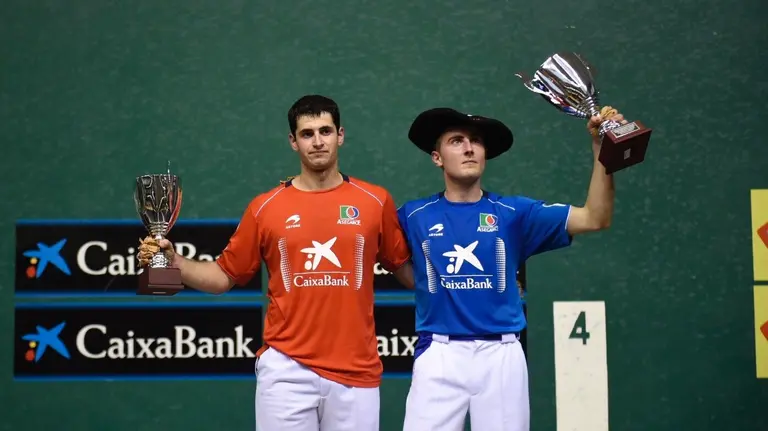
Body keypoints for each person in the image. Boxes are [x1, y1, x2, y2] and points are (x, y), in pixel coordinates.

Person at [137, 94, 413, 431]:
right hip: (286, 372)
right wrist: (173, 260)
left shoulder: (374, 201)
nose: (317, 142)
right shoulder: (266, 207)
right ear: (293, 142)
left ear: (340, 135)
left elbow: (408, 272)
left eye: (325, 131)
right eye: (307, 134)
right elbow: (223, 276)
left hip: (356, 373)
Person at [396, 106, 626, 430]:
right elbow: (370, 246)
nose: (469, 148)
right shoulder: (412, 215)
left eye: (476, 141)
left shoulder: (515, 213)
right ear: (437, 157)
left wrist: (602, 150)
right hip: (438, 354)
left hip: (501, 356)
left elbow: (595, 217)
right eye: (457, 141)